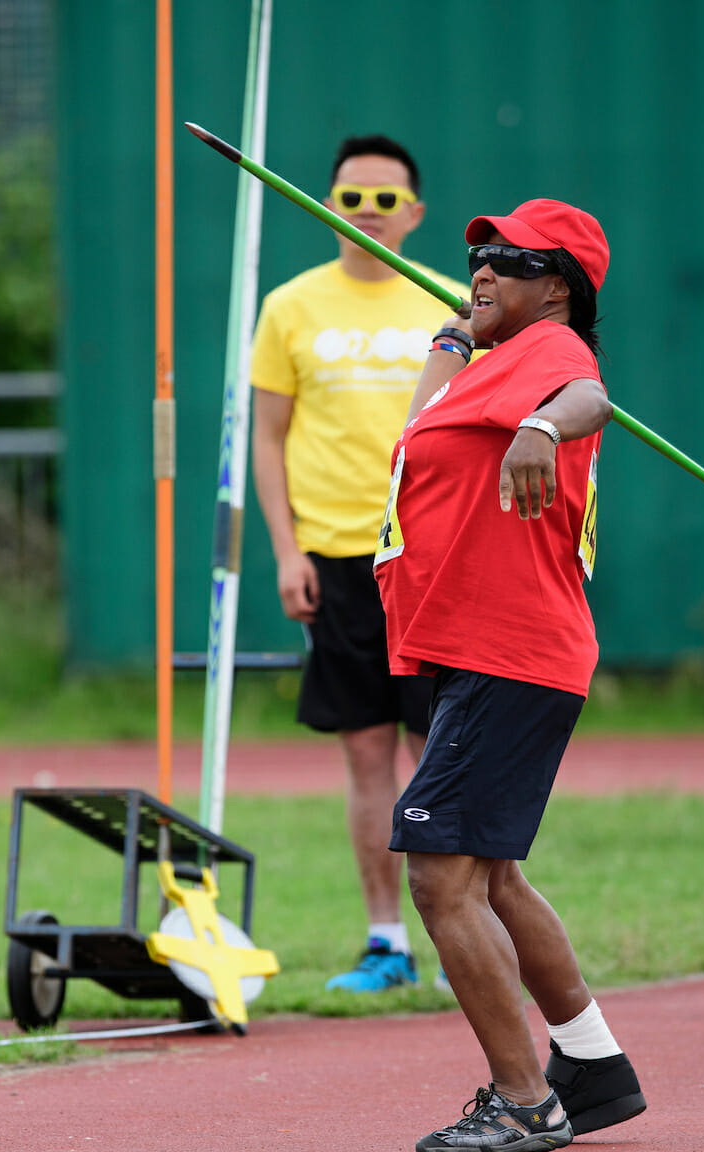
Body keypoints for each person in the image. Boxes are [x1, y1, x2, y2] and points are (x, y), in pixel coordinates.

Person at [374, 199, 646, 1152]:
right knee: (491, 876)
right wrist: (455, 333)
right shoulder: (489, 363)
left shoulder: (551, 358)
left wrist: (538, 427)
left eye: (507, 259)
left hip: (510, 651)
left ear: (558, 287)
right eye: (477, 255)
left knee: (441, 878)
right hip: (481, 653)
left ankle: (526, 1101)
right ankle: (594, 1065)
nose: (481, 268)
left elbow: (589, 398)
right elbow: (418, 437)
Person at [250, 135, 468, 992]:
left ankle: (463, 940)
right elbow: (268, 437)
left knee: (443, 749)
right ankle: (387, 942)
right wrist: (285, 549)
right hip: (336, 560)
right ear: (327, 205)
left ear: (414, 214)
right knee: (367, 754)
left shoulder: (453, 304)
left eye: (385, 202)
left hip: (429, 558)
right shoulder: (290, 307)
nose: (367, 215)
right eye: (351, 199)